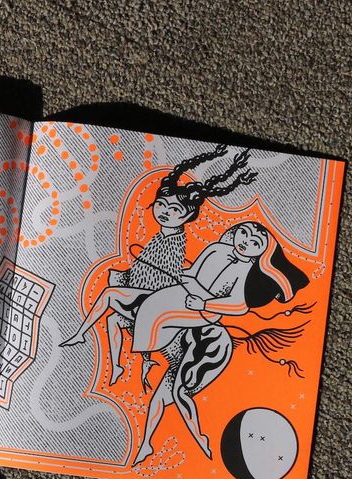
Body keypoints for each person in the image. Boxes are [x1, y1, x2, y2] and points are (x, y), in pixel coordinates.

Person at [59, 145, 258, 384]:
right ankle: (118, 367)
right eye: (162, 205)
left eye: (174, 210)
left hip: (157, 294)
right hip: (147, 290)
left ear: (187, 216)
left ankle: (81, 334)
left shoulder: (174, 240)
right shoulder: (162, 235)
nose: (164, 212)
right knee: (113, 319)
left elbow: (165, 276)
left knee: (110, 294)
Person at [129, 221, 309, 463]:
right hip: (186, 313)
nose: (245, 242)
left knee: (177, 391)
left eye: (255, 243)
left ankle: (199, 438)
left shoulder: (247, 272)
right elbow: (193, 274)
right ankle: (147, 443)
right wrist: (182, 277)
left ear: (261, 253)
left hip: (207, 335)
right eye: (243, 233)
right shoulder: (216, 248)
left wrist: (204, 302)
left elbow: (239, 305)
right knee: (147, 316)